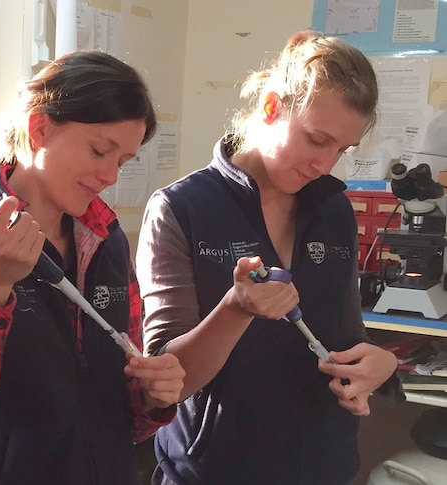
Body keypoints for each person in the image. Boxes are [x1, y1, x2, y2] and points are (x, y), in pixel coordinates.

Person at [0, 50, 187, 485]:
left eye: (122, 161)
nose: (110, 175)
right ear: (39, 128)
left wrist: (152, 395)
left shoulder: (107, 240)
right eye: (99, 151)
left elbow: (127, 418)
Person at [135, 30, 402, 485]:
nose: (326, 163)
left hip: (324, 465)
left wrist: (378, 366)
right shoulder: (181, 209)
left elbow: (345, 333)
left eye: (342, 149)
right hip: (216, 469)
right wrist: (235, 310)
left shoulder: (333, 207)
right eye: (317, 139)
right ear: (272, 106)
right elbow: (164, 384)